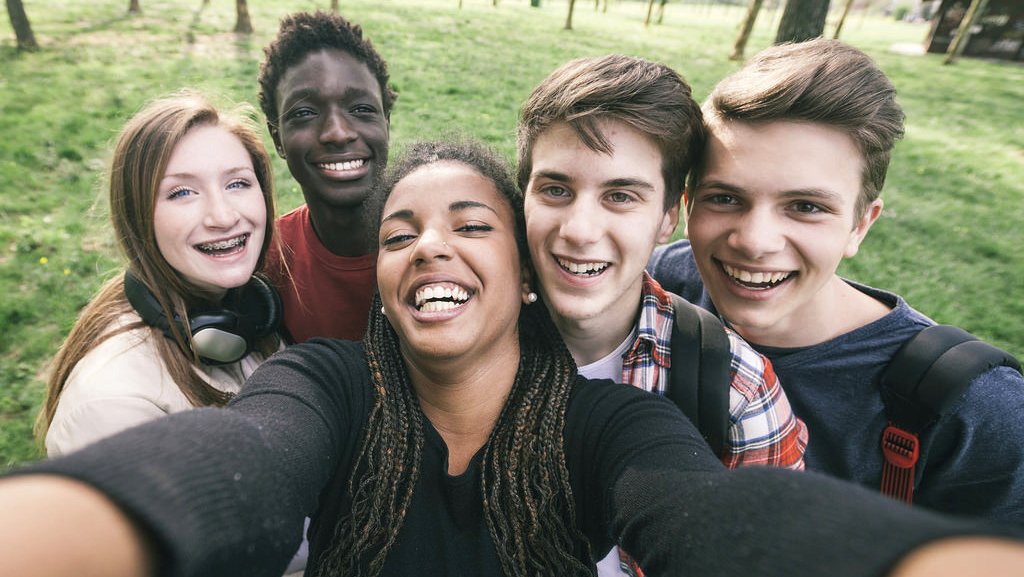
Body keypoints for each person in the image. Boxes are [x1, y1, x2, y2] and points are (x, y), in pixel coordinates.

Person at [3, 138, 1024, 577]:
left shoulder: (612, 420)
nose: (429, 246)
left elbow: (706, 510)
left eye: (466, 225)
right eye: (400, 234)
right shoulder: (328, 381)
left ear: (527, 274)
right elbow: (238, 460)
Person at [647, 38, 1024, 522]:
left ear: (861, 224)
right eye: (724, 198)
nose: (755, 241)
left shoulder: (978, 412)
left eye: (806, 207)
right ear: (688, 202)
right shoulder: (665, 282)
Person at [517, 55, 806, 574]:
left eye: (621, 196)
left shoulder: (736, 391)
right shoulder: (458, 342)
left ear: (669, 216)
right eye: (556, 189)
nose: (580, 230)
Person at [35, 90, 281, 457]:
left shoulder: (248, 314)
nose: (224, 216)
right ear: (139, 218)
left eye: (237, 183)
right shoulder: (112, 406)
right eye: (182, 192)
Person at [257, 10, 396, 343]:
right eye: (305, 113)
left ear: (386, 123)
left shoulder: (443, 244)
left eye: (361, 109)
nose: (337, 133)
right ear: (278, 138)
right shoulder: (266, 261)